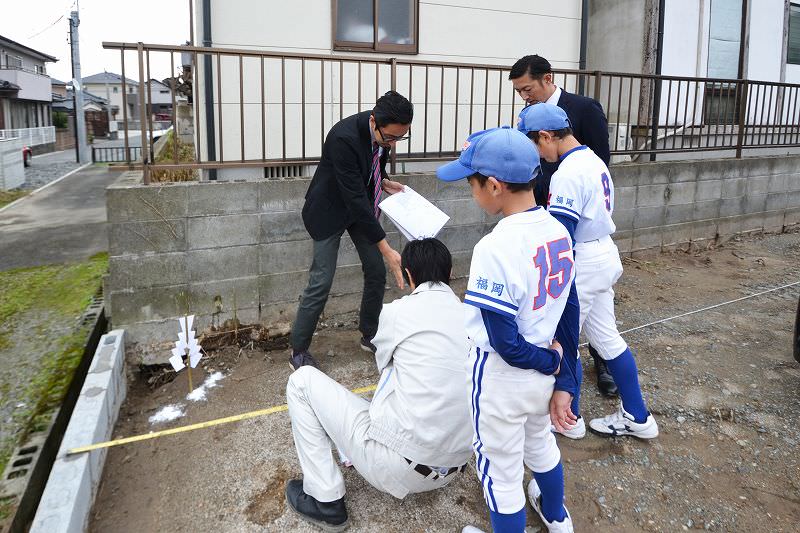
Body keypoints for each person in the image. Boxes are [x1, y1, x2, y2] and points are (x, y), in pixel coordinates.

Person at [437, 127, 578, 533]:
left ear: (494, 186)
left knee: (499, 469)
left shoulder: (494, 248)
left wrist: (552, 362)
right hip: (540, 371)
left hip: (503, 376)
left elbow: (505, 343)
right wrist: (559, 370)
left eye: (472, 182)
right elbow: (567, 313)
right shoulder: (557, 231)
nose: (471, 190)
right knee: (539, 443)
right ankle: (555, 515)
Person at [285, 238, 473, 532]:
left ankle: (326, 501)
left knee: (301, 382)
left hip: (400, 467)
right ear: (449, 275)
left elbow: (384, 365)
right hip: (453, 468)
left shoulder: (397, 312)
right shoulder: (474, 318)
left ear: (408, 275)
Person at [517, 103, 659, 440]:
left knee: (563, 340)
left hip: (581, 260)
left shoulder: (567, 173)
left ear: (547, 136)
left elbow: (561, 235)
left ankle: (570, 418)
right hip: (603, 252)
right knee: (607, 339)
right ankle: (638, 417)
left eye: (536, 145)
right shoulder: (591, 158)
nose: (538, 155)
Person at [509, 54, 617, 399]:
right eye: (519, 91)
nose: (524, 96)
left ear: (547, 79)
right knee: (578, 307)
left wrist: (563, 196)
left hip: (576, 225)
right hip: (545, 212)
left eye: (527, 88)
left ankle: (593, 369)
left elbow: (600, 159)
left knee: (573, 311)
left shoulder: (584, 109)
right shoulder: (530, 119)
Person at [289, 91, 412, 370]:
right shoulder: (343, 138)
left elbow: (374, 163)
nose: (393, 144)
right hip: (330, 210)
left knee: (376, 271)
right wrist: (386, 247)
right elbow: (354, 198)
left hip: (359, 208)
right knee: (321, 280)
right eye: (390, 138)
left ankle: (369, 333)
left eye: (399, 138)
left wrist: (386, 181)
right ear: (373, 122)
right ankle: (298, 349)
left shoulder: (384, 133)